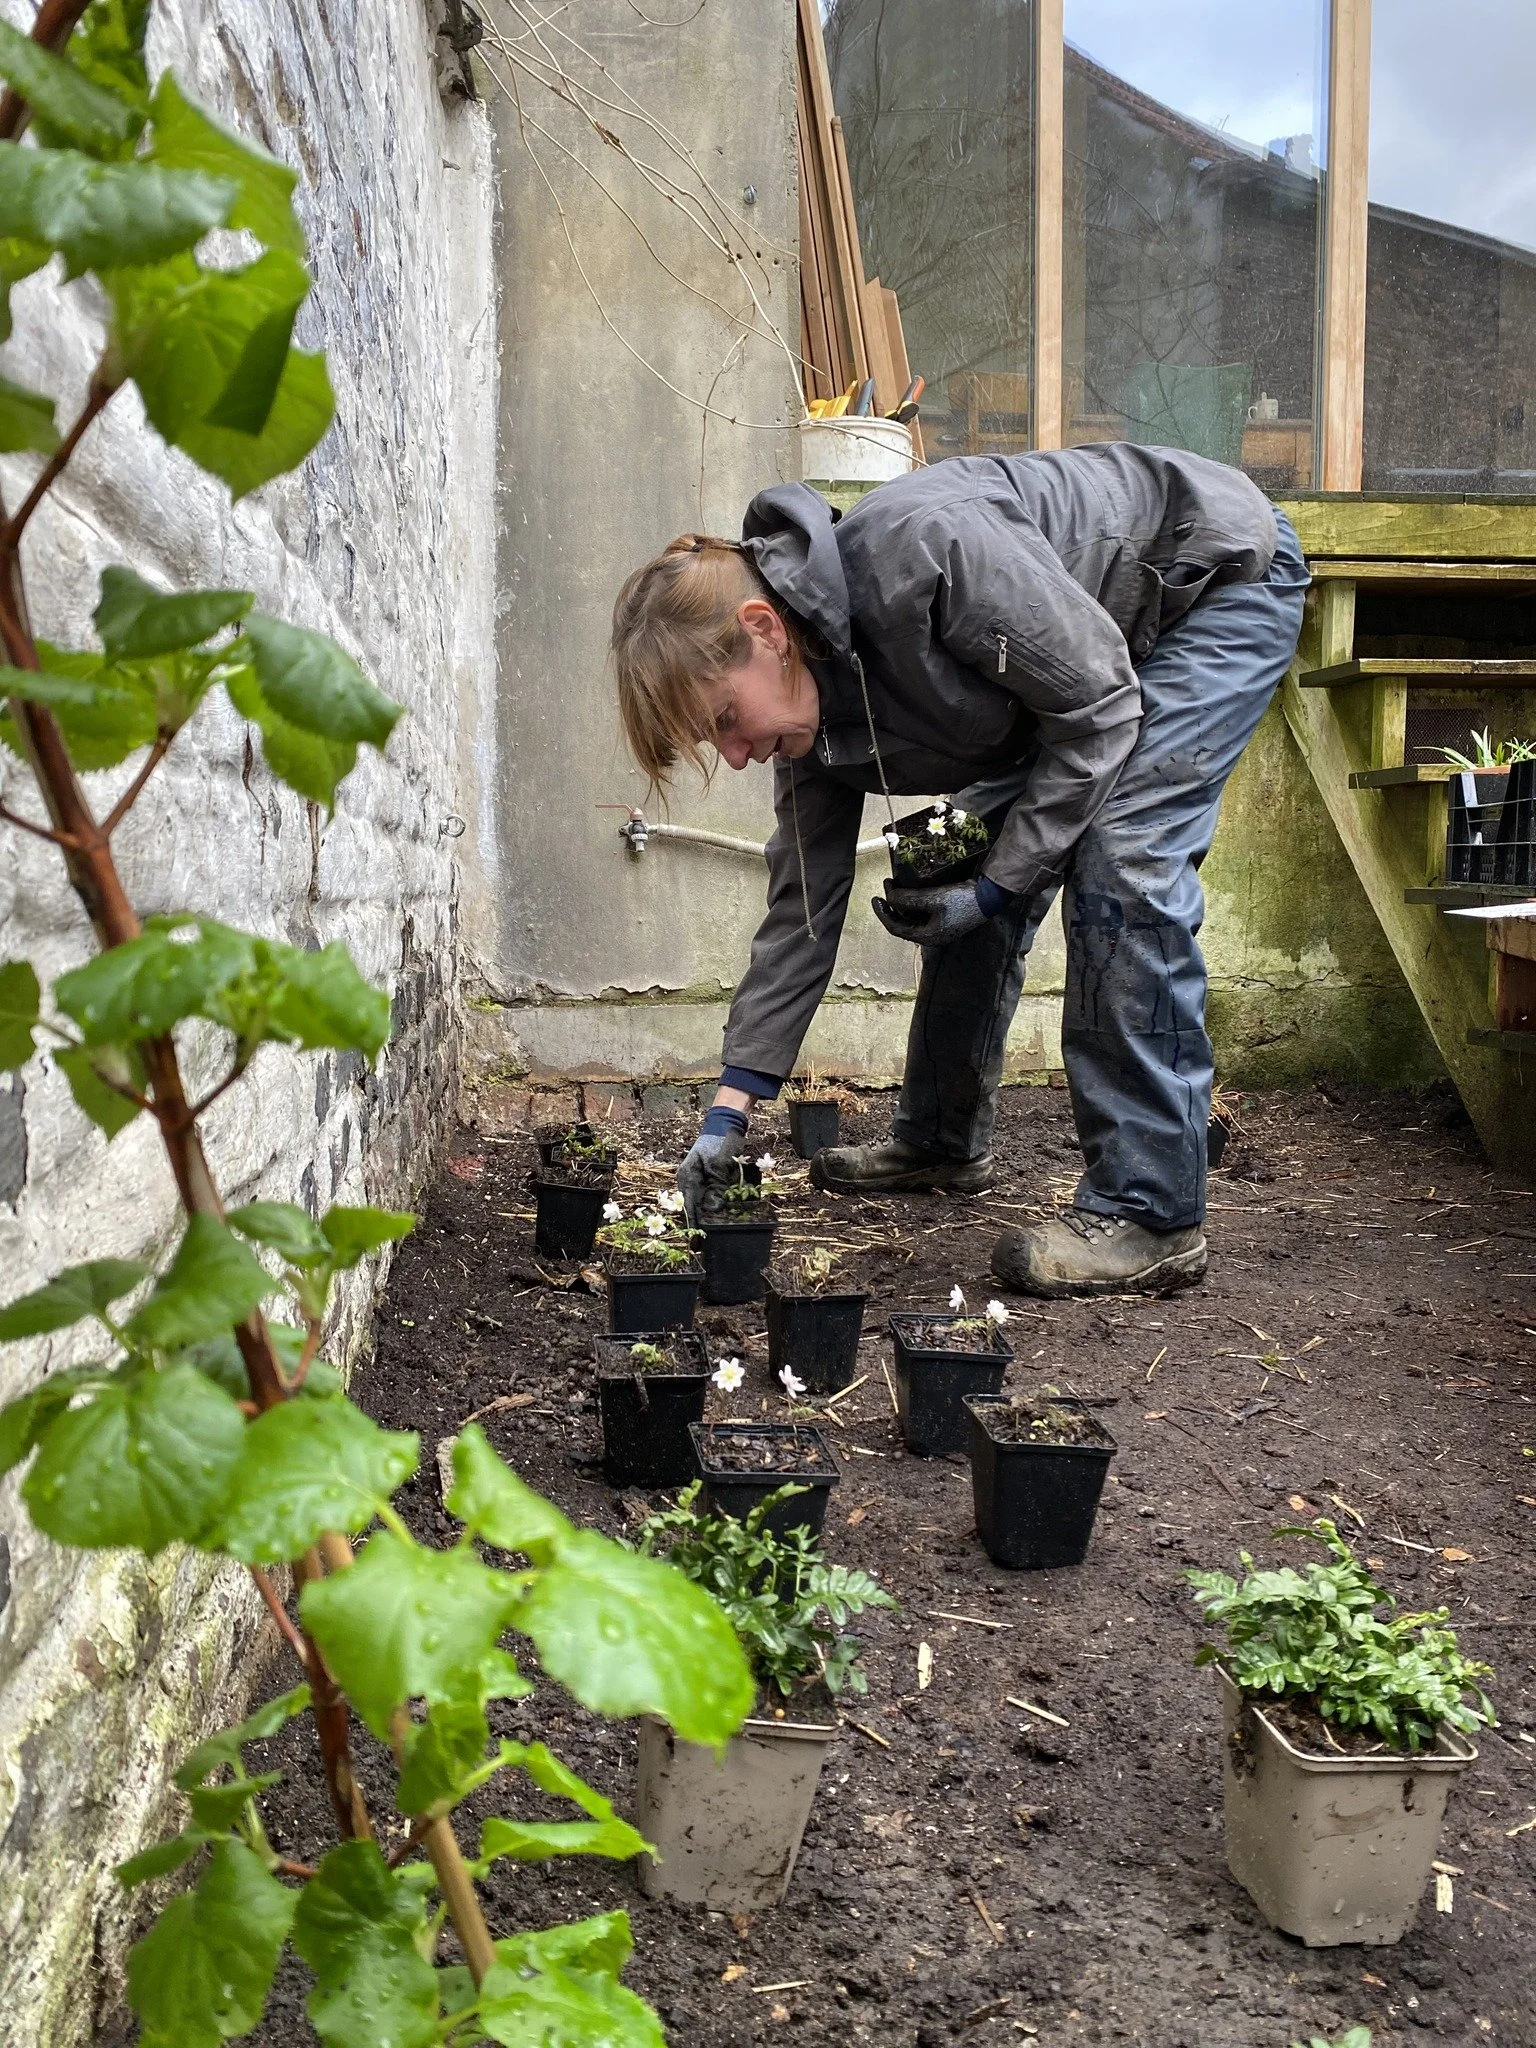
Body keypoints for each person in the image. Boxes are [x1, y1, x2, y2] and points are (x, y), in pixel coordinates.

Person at [610, 445, 1308, 1297]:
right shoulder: (812, 730)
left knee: (1122, 856)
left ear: (764, 629)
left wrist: (997, 888)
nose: (735, 754)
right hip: (1086, 668)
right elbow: (802, 913)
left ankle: (1152, 1213)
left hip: (1211, 581)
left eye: (725, 718)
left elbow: (1098, 710)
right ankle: (940, 1141)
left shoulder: (925, 550)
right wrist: (728, 1114)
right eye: (712, 740)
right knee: (957, 854)